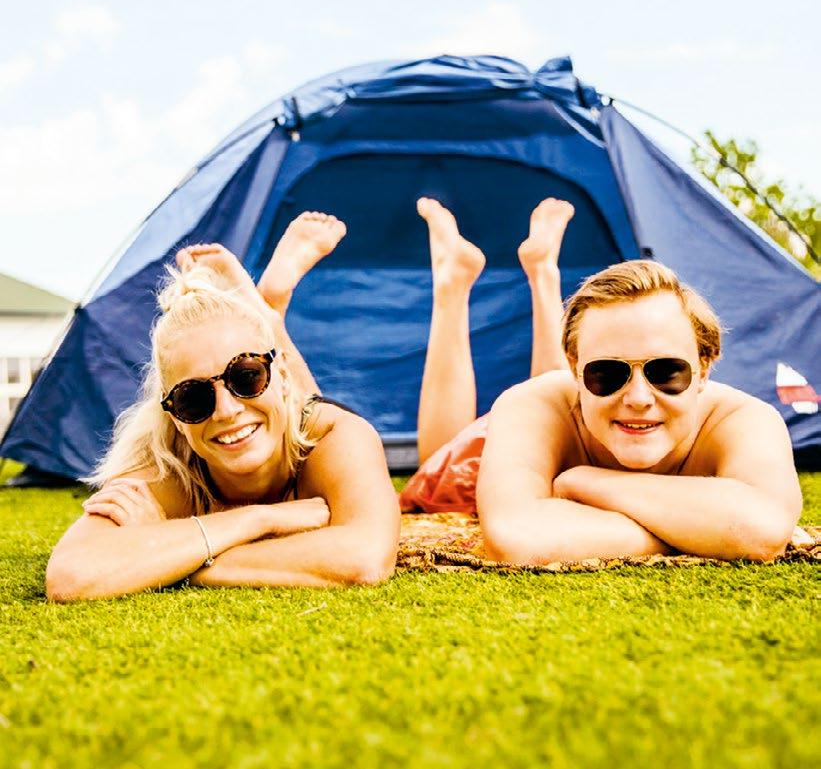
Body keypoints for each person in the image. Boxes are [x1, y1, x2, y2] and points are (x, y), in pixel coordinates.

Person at [403, 198, 802, 565]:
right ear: (576, 370)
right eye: (606, 374)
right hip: (531, 433)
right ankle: (454, 284)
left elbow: (763, 530)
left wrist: (584, 482)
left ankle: (542, 274)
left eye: (666, 371)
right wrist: (704, 532)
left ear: (704, 367)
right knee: (441, 463)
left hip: (574, 428)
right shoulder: (527, 406)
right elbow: (515, 538)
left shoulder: (743, 419)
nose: (640, 397)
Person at [46, 213, 400, 601]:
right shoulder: (165, 466)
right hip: (271, 410)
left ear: (280, 375)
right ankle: (262, 320)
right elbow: (71, 577)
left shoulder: (336, 434)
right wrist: (258, 519)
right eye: (193, 398)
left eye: (246, 377)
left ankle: (269, 311)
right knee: (265, 405)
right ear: (175, 418)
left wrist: (167, 553)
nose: (226, 410)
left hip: (299, 419)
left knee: (299, 402)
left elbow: (364, 558)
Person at [399, 196, 574, 513]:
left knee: (446, 468)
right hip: (542, 454)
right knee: (551, 428)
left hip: (494, 460)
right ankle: (544, 274)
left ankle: (455, 285)